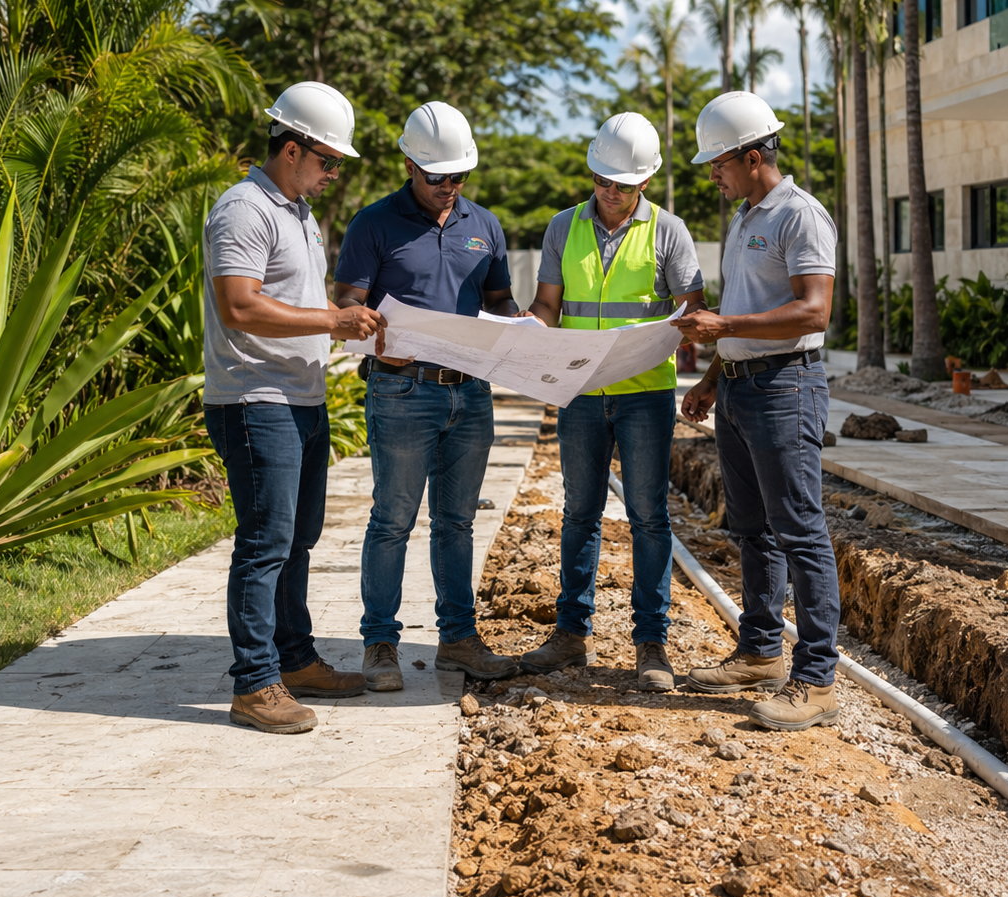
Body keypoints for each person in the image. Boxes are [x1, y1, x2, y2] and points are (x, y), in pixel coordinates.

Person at [203, 81, 385, 734]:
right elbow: (239, 305)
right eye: (327, 160)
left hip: (300, 399)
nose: (334, 173)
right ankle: (255, 683)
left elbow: (293, 302)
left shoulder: (297, 213)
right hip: (256, 400)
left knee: (297, 540)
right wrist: (333, 322)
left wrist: (343, 323)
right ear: (290, 149)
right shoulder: (243, 209)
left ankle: (295, 659)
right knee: (265, 544)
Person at [333, 101, 521, 687]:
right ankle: (380, 645)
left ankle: (458, 641)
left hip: (471, 393)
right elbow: (347, 304)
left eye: (459, 175)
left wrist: (522, 327)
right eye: (437, 175)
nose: (449, 186)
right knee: (393, 519)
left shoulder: (484, 225)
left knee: (457, 521)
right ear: (409, 165)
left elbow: (499, 300)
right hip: (402, 390)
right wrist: (376, 339)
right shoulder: (373, 223)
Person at [517, 113, 706, 690]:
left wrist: (678, 336)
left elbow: (693, 311)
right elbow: (548, 305)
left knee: (649, 516)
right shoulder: (563, 227)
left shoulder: (669, 231)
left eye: (622, 183)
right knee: (580, 512)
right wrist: (528, 327)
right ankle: (571, 634)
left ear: (645, 180)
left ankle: (651, 643)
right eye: (602, 179)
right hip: (579, 391)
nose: (610, 191)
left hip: (644, 395)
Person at [675, 91, 841, 732]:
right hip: (743, 389)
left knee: (800, 530)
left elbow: (814, 311)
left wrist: (723, 327)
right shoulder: (746, 218)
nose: (711, 175)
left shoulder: (800, 216)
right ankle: (761, 652)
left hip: (786, 388)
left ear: (751, 157)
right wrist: (713, 379)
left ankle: (816, 681)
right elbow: (745, 310)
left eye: (717, 163)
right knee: (752, 530)